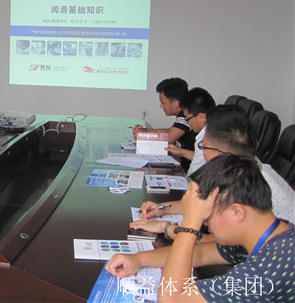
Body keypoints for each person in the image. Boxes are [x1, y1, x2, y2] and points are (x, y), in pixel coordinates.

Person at [107, 154, 294, 302]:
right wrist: (139, 259)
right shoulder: (274, 233)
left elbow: (171, 299)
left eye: (206, 215)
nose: (204, 223)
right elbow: (200, 254)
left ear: (237, 212)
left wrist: (191, 222)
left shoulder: (267, 272)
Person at [132, 104, 294, 239]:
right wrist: (162, 208)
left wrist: (167, 228)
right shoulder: (245, 168)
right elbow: (201, 204)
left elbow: (213, 245)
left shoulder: (245, 184)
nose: (201, 152)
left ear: (219, 153)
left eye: (203, 147)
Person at [133, 77, 195, 170]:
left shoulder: (186, 116)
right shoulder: (183, 115)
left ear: (175, 103)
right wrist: (145, 131)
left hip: (189, 169)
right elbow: (170, 131)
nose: (161, 106)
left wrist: (143, 137)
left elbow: (169, 139)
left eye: (163, 103)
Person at [165, 87, 215, 176]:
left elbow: (193, 173)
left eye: (188, 118)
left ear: (201, 117)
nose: (188, 122)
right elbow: (200, 158)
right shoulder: (212, 129)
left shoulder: (206, 138)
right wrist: (180, 151)